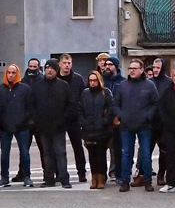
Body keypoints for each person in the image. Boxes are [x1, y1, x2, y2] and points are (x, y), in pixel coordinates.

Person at [111, 58, 159, 191]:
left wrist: (148, 116)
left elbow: (156, 103)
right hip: (126, 126)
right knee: (126, 154)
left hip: (144, 126)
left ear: (142, 70)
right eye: (130, 68)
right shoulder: (123, 85)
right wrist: (121, 115)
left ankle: (147, 180)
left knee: (145, 154)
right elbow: (115, 103)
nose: (132, 71)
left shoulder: (149, 85)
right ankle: (125, 180)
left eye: (135, 68)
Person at [27, 60, 74, 187]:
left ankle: (64, 179)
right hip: (43, 127)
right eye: (47, 68)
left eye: (52, 68)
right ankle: (49, 179)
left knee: (60, 153)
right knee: (47, 154)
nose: (50, 70)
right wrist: (36, 120)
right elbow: (32, 105)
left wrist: (63, 120)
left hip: (59, 127)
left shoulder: (63, 85)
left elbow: (70, 105)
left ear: (56, 70)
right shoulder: (37, 86)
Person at [0, 65, 34, 187]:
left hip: (22, 127)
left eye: (13, 73)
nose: (11, 75)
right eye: (9, 73)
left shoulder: (25, 89)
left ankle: (27, 176)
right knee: (4, 152)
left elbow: (30, 107)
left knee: (24, 152)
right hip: (5, 127)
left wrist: (26, 121)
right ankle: (4, 177)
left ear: (17, 74)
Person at [78, 68, 116, 189]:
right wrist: (83, 122)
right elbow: (80, 109)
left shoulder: (105, 92)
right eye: (91, 80)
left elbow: (111, 108)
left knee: (101, 155)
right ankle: (94, 177)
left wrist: (104, 122)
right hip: (88, 129)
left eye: (95, 80)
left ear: (99, 80)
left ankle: (101, 178)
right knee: (92, 155)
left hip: (102, 130)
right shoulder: (85, 93)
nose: (93, 83)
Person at [57, 54, 88, 184]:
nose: (67, 65)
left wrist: (81, 116)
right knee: (59, 148)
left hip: (74, 119)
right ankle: (60, 173)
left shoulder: (78, 79)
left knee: (78, 147)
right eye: (64, 63)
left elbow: (84, 97)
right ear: (59, 64)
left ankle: (81, 172)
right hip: (59, 118)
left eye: (69, 63)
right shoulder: (56, 79)